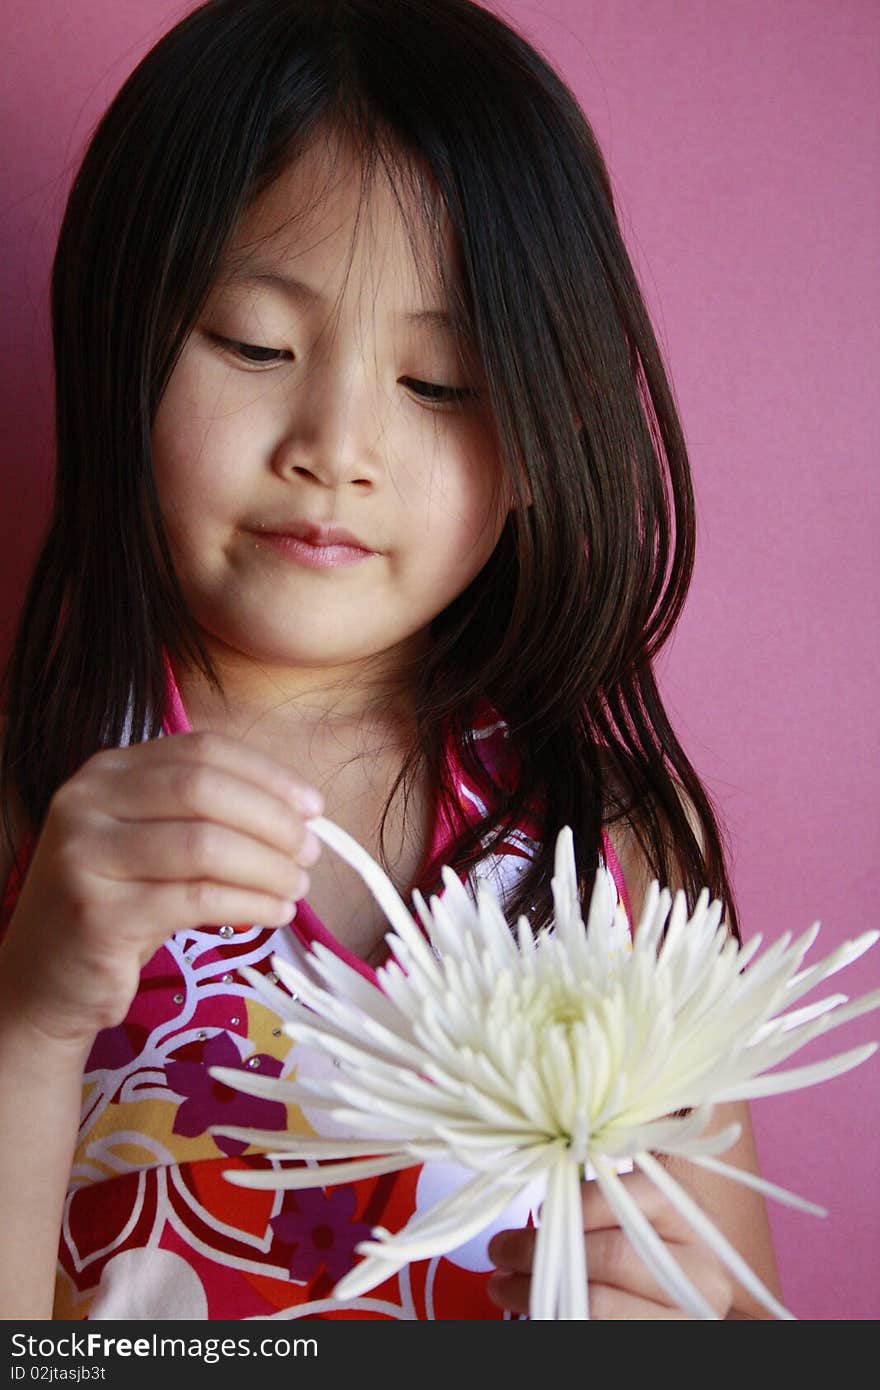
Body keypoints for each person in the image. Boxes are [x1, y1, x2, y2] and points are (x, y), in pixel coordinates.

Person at [0, 0, 782, 1320]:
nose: (338, 444)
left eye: (441, 381)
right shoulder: (38, 807)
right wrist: (30, 1015)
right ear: (116, 340)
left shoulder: (619, 846)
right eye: (256, 344)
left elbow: (744, 1305)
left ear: (543, 431)